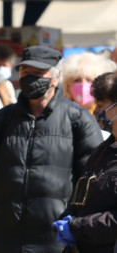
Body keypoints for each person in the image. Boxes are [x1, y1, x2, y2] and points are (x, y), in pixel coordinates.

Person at [0, 46, 103, 252]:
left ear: (56, 78)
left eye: (39, 73)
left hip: (56, 240)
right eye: (26, 73)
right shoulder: (1, 121)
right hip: (4, 239)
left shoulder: (77, 120)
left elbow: (92, 181)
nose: (31, 79)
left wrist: (74, 225)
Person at [52, 72, 117, 253]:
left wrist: (76, 227)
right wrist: (68, 217)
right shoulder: (103, 149)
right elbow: (83, 195)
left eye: (102, 106)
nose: (97, 111)